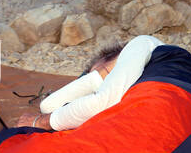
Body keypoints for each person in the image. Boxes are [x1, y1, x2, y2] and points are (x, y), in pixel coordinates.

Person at [15, 34, 164, 130]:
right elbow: (49, 107)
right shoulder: (134, 92)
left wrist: (40, 122)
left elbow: (101, 101)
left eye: (102, 74)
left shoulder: (143, 43)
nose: (104, 84)